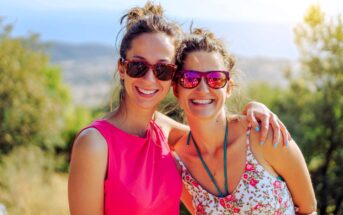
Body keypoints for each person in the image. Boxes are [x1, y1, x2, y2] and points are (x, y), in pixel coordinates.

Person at [68, 2, 291, 214]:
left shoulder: (162, 130)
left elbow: (217, 138)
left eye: (162, 69)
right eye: (138, 66)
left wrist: (252, 110)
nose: (149, 78)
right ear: (122, 68)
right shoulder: (95, 144)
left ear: (173, 77)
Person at [172, 28, 317, 214]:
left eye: (215, 79)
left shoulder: (263, 133)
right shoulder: (180, 167)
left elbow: (309, 209)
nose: (203, 88)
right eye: (190, 78)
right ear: (176, 89)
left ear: (228, 88)